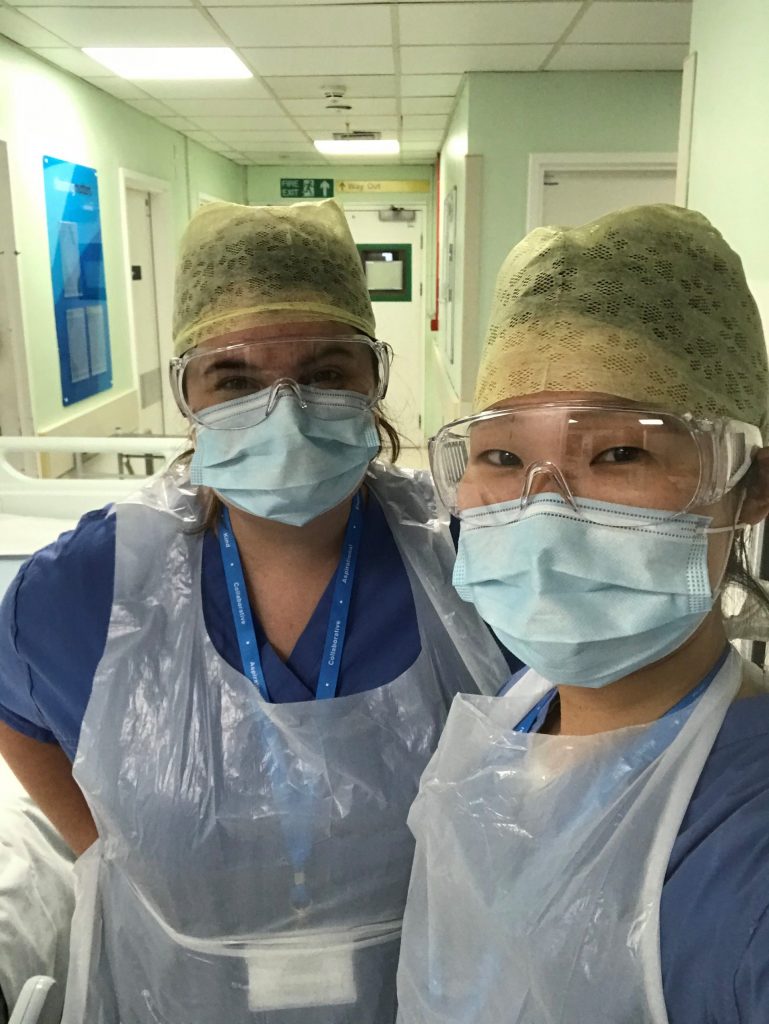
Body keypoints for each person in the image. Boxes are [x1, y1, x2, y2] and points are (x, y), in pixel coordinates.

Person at [0, 199, 510, 1023]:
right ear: (188, 396)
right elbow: (13, 706)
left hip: (422, 986)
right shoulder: (91, 589)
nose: (285, 406)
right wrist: (104, 848)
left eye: (325, 372)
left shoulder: (469, 569)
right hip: (177, 986)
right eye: (234, 379)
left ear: (373, 380)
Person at [396, 204, 769, 1024]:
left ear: (748, 485)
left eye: (619, 453)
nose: (543, 514)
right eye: (500, 456)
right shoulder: (519, 714)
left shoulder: (746, 848)